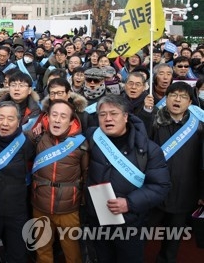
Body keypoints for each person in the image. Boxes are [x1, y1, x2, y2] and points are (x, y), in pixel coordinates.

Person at [85, 94, 170, 263]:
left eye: (113, 113)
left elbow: (161, 186)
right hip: (98, 220)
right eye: (102, 115)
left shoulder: (148, 150)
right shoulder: (92, 138)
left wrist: (129, 203)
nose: (107, 118)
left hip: (130, 223)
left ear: (125, 117)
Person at [148, 82, 204, 263]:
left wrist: (202, 192)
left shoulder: (198, 127)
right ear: (166, 98)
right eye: (173, 95)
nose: (177, 99)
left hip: (184, 192)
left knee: (173, 238)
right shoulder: (153, 121)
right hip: (153, 190)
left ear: (190, 102)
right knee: (138, 233)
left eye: (183, 96)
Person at [31, 100, 88, 263]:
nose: (57, 120)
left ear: (71, 121)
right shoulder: (37, 137)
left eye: (63, 116)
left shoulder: (81, 144)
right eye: (54, 115)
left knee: (73, 253)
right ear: (47, 117)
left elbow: (86, 174)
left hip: (69, 209)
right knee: (42, 252)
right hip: (40, 205)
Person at [0, 101, 35, 263]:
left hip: (17, 211)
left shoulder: (26, 143)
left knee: (17, 255)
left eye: (10, 119)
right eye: (1, 118)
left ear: (18, 122)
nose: (4, 123)